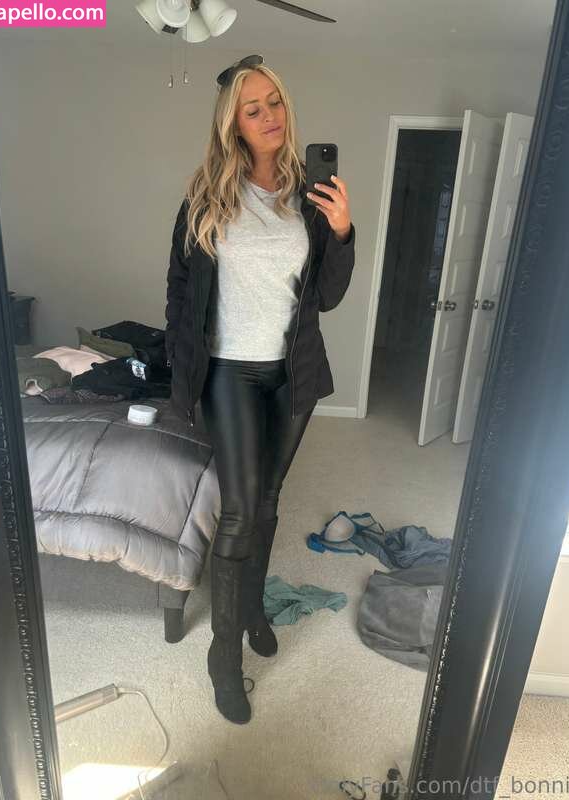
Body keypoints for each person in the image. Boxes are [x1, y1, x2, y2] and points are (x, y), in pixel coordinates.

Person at [164, 55, 356, 725]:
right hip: (228, 372)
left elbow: (328, 295)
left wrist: (341, 231)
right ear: (234, 124)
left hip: (290, 372)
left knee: (270, 501)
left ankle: (251, 609)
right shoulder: (205, 196)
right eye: (254, 108)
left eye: (275, 101)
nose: (270, 115)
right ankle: (223, 656)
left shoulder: (309, 192)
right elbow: (180, 287)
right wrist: (181, 361)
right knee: (241, 511)